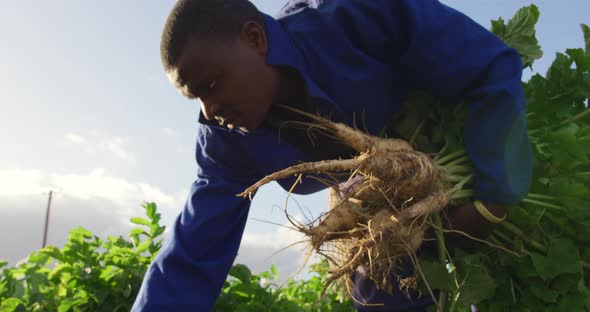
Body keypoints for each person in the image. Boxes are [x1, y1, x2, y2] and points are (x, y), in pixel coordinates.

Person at [132, 0, 532, 310]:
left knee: (506, 277)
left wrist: (493, 200)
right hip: (374, 202)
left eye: (212, 84)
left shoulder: (357, 15)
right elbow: (191, 255)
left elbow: (489, 67)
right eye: (194, 98)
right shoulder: (226, 143)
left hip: (455, 150)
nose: (209, 110)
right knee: (377, 285)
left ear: (255, 39)